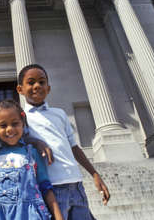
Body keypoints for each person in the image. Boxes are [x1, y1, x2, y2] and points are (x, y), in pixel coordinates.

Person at [17, 64, 110, 220]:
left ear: (49, 87)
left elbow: (73, 146)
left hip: (76, 185)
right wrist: (35, 141)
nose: (37, 86)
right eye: (31, 82)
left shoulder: (59, 114)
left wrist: (94, 174)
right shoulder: (21, 117)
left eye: (42, 82)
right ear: (20, 89)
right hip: (52, 188)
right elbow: (18, 140)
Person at [0, 99, 63, 220]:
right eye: (3, 125)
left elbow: (45, 185)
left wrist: (59, 216)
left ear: (23, 123)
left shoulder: (32, 153)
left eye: (15, 123)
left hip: (28, 215)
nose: (10, 129)